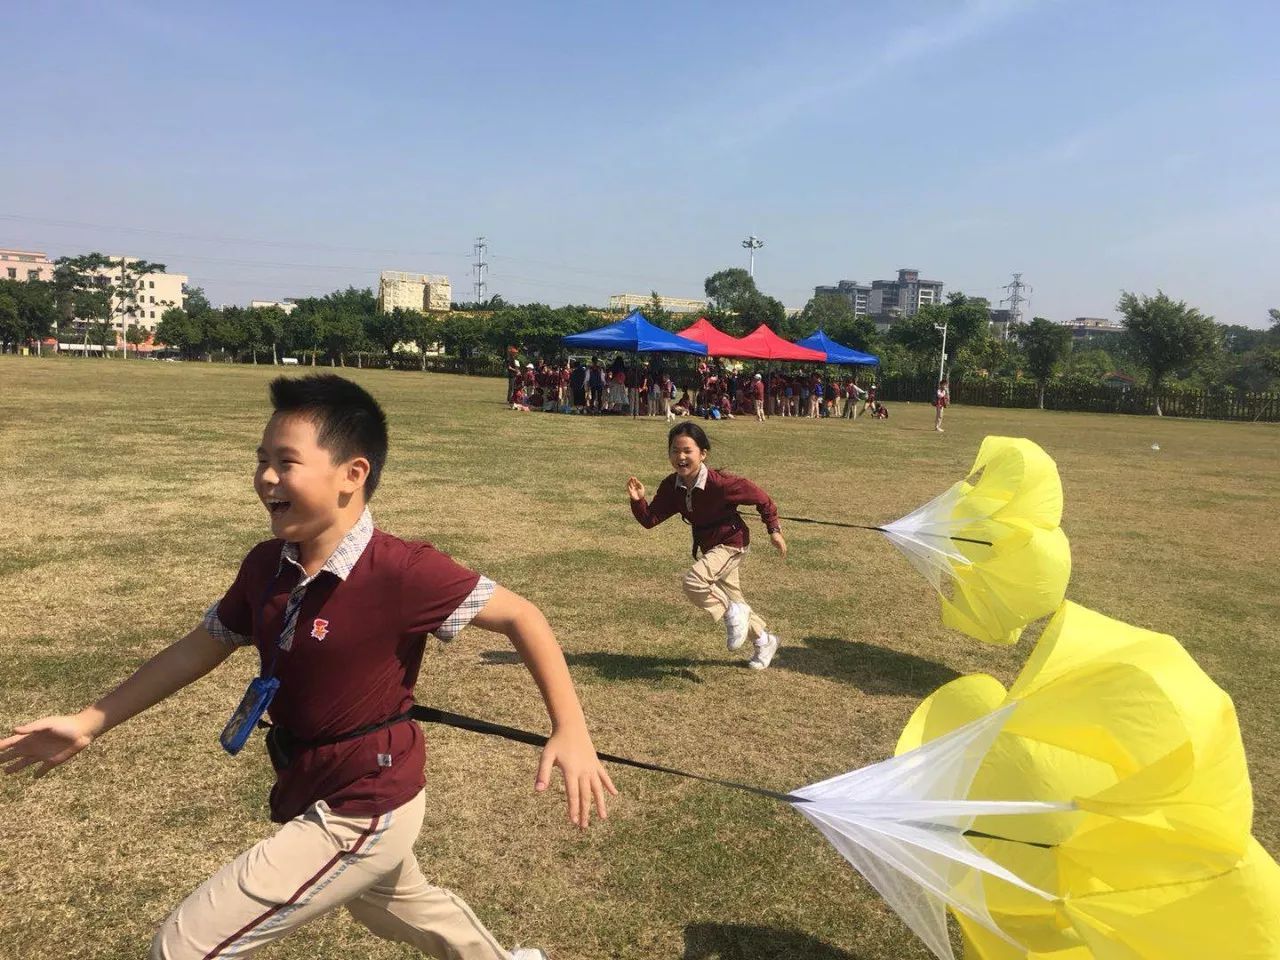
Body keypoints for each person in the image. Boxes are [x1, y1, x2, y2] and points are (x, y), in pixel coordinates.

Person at [0, 374, 615, 960]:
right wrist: (90, 721)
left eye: (285, 462)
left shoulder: (401, 570)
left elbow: (522, 617)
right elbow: (202, 645)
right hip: (309, 776)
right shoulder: (266, 564)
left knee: (186, 946)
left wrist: (573, 730)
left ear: (353, 474)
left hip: (366, 801)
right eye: (260, 459)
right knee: (396, 907)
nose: (265, 477)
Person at [625, 422, 786, 670]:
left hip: (732, 543)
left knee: (695, 582)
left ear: (703, 453)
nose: (681, 457)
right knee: (736, 600)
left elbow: (762, 498)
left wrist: (774, 530)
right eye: (675, 451)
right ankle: (765, 640)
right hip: (709, 547)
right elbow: (651, 519)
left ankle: (734, 611)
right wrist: (638, 502)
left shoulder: (721, 483)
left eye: (688, 450)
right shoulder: (672, 486)